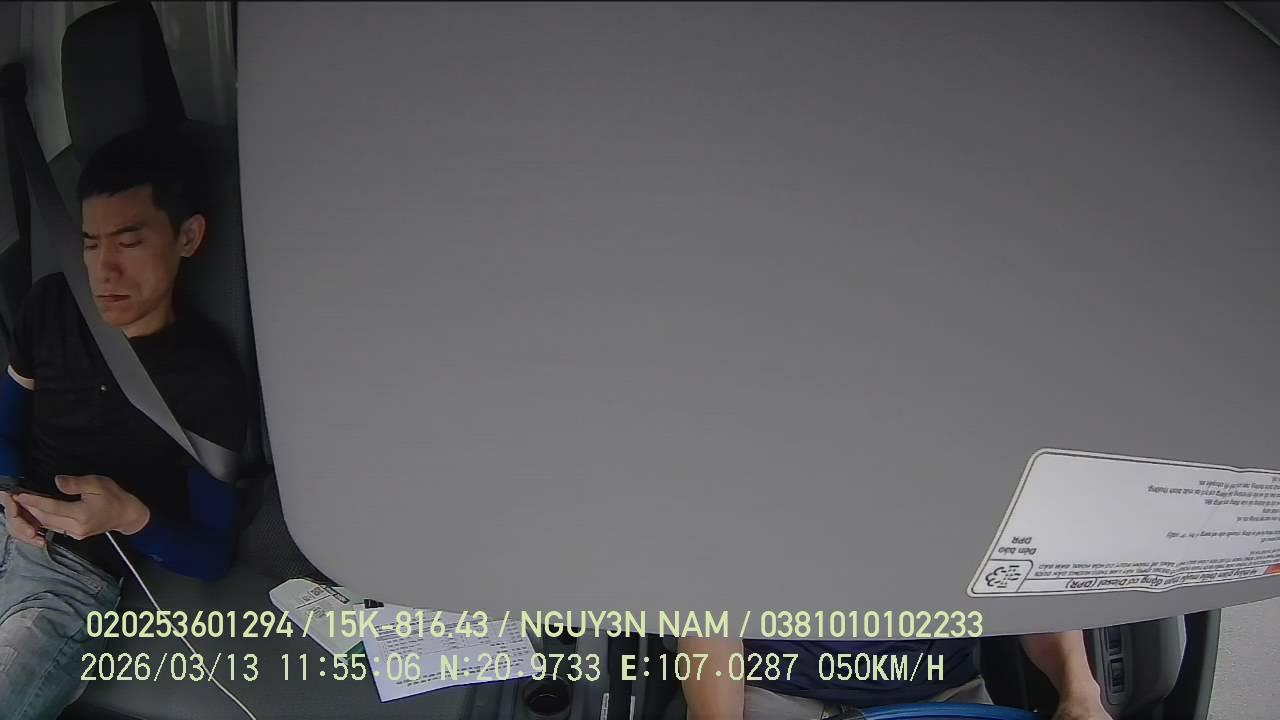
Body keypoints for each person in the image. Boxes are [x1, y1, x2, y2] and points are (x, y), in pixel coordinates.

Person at [0, 128, 248, 719]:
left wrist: (128, 517)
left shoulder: (208, 380)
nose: (104, 271)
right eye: (90, 245)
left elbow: (213, 556)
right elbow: (4, 430)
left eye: (130, 243)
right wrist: (7, 492)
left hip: (68, 575)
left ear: (188, 237)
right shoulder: (51, 305)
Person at [681, 628, 1115, 719]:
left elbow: (1033, 594)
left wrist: (1081, 694)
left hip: (941, 699)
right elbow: (710, 615)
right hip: (779, 694)